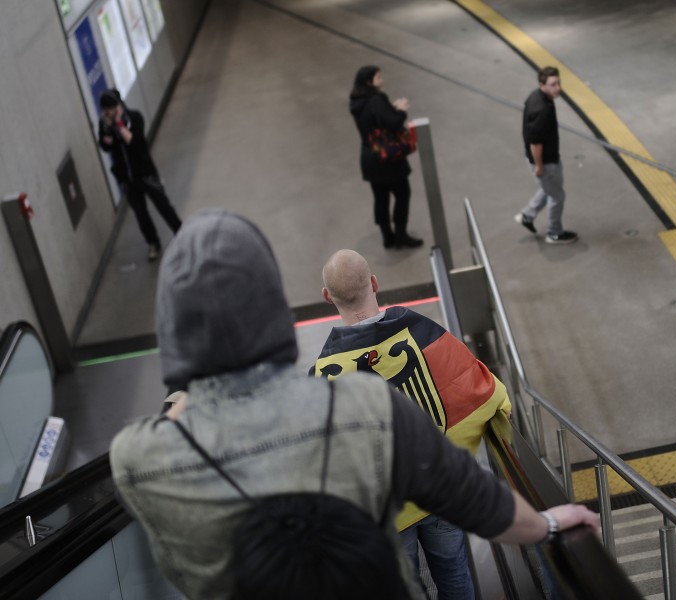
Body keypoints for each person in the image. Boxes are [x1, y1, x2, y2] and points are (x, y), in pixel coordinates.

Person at [109, 209, 598, 600]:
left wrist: (188, 386)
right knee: (450, 572)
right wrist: (549, 522)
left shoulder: (137, 460)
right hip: (410, 525)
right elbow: (470, 493)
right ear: (274, 313)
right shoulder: (354, 408)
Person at [310, 249, 514, 599]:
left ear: (327, 297)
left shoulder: (322, 375)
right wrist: (500, 406)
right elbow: (476, 386)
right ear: (375, 283)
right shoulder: (422, 333)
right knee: (453, 572)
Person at [98, 89, 182, 261]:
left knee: (163, 205)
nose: (107, 113)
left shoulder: (135, 118)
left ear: (119, 106)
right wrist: (107, 132)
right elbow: (105, 145)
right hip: (127, 178)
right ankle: (153, 243)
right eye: (105, 110)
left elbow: (133, 142)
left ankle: (182, 234)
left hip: (145, 172)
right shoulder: (104, 124)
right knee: (140, 214)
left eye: (111, 109)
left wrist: (119, 126)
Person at [349, 66, 423, 250]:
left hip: (369, 158)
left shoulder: (357, 102)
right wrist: (401, 110)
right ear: (369, 82)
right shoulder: (376, 99)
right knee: (402, 194)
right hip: (388, 161)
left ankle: (387, 237)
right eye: (378, 77)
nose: (382, 80)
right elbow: (393, 123)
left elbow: (376, 121)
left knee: (380, 198)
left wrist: (391, 109)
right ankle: (401, 235)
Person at [514, 66, 578, 244]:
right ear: (542, 85)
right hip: (545, 162)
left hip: (550, 158)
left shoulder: (538, 96)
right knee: (558, 196)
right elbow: (536, 142)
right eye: (553, 84)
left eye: (558, 83)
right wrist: (539, 165)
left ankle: (528, 215)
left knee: (550, 188)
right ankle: (554, 233)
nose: (558, 87)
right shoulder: (541, 108)